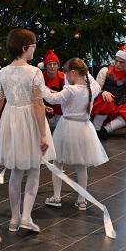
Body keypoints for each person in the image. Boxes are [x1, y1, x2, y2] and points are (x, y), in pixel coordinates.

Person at [0, 28, 55, 233]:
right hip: (29, 121)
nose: (35, 49)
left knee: (16, 171)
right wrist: (43, 134)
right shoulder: (35, 72)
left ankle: (14, 218)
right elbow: (37, 104)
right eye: (33, 46)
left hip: (11, 119)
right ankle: (26, 217)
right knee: (34, 169)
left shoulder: (3, 72)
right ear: (24, 48)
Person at [43, 58, 109, 211]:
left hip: (67, 127)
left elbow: (52, 99)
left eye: (66, 74)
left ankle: (56, 197)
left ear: (73, 73)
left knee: (58, 162)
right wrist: (85, 72)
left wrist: (41, 86)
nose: (66, 77)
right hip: (84, 128)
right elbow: (93, 82)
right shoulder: (92, 89)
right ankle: (81, 200)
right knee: (81, 165)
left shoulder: (70, 90)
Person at [92, 45, 126, 140]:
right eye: (116, 61)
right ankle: (96, 129)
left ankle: (106, 129)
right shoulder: (105, 71)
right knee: (107, 99)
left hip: (116, 108)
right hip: (101, 106)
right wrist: (103, 92)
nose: (117, 64)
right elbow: (94, 90)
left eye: (121, 62)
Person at [42, 49, 65, 127]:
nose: (52, 67)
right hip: (45, 105)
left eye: (54, 64)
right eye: (49, 64)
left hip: (59, 106)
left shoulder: (63, 77)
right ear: (45, 66)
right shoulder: (40, 77)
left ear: (58, 66)